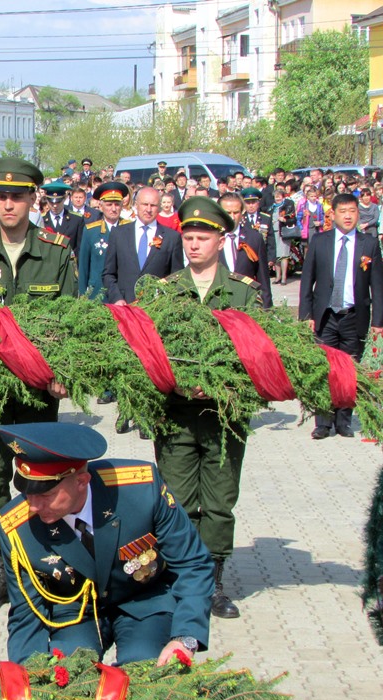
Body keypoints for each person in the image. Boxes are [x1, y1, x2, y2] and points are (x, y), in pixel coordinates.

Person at [0, 157, 75, 606]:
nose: (9, 203)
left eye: (18, 196)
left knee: (41, 476)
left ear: (32, 199)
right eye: (0, 195)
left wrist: (65, 376)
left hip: (39, 393)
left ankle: (44, 556)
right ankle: (0, 563)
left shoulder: (58, 252)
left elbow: (73, 323)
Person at [0, 422, 213, 665]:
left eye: (45, 495)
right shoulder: (17, 526)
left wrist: (186, 637)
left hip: (144, 602)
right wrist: (28, 675)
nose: (33, 506)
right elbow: (26, 611)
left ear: (81, 481)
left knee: (144, 668)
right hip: (76, 612)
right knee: (71, 675)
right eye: (26, 493)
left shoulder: (142, 489)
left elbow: (192, 564)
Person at [154, 196, 261, 619]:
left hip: (224, 417)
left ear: (221, 239)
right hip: (176, 416)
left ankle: (213, 583)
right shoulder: (165, 292)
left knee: (218, 501)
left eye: (203, 238)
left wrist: (216, 386)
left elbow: (257, 354)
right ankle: (182, 577)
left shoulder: (242, 293)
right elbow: (152, 352)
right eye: (189, 237)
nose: (194, 245)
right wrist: (182, 384)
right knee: (177, 500)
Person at [300, 192, 383, 439]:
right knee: (324, 368)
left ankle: (344, 420)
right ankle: (323, 422)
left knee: (348, 369)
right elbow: (307, 281)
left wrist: (378, 321)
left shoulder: (369, 244)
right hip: (325, 315)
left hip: (353, 316)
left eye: (353, 211)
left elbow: (377, 286)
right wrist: (306, 315)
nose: (348, 216)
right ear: (333, 215)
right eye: (343, 211)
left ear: (359, 214)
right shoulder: (320, 241)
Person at [219, 192, 273, 308]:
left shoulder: (254, 238)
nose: (232, 217)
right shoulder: (212, 239)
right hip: (218, 307)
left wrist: (267, 310)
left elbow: (263, 279)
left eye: (236, 212)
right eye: (228, 213)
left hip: (247, 305)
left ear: (242, 212)